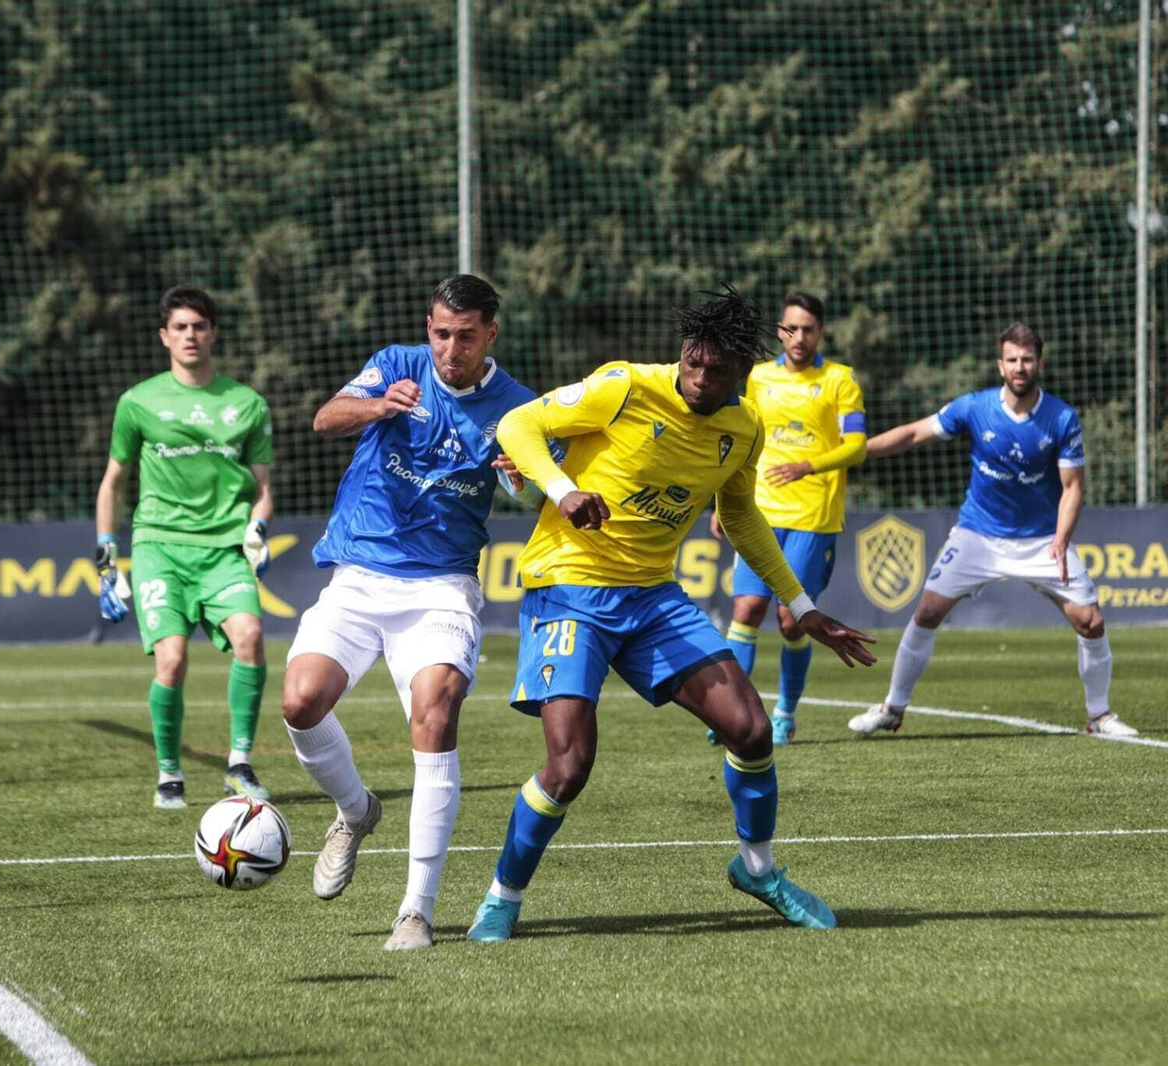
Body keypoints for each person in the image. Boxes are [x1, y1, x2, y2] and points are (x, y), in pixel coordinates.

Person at [466, 285, 878, 944]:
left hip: (653, 597)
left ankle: (758, 870)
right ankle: (502, 898)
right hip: (569, 587)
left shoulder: (743, 428)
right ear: (681, 353)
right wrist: (565, 490)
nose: (699, 378)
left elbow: (741, 515)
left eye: (716, 370)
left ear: (743, 373)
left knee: (750, 729)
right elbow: (518, 426)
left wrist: (800, 604)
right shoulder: (625, 387)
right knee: (569, 766)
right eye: (693, 362)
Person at [281, 274, 539, 952]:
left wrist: (522, 479)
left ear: (491, 335)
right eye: (440, 334)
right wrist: (376, 408)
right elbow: (324, 417)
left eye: (465, 336)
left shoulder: (518, 407)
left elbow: (538, 494)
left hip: (441, 586)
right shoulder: (397, 365)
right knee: (300, 702)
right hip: (359, 575)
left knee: (437, 708)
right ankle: (356, 810)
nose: (449, 349)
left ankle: (415, 912)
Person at [847, 322, 1137, 739]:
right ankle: (892, 708)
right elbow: (913, 433)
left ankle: (1100, 716)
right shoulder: (974, 407)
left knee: (1090, 622)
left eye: (1028, 359)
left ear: (1040, 363)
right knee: (927, 613)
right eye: (1013, 360)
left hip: (1041, 540)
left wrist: (1060, 539)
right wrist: (855, 452)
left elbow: (1073, 487)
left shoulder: (1061, 417)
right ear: (1000, 365)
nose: (1020, 367)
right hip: (977, 536)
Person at [94, 285, 277, 810]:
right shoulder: (138, 402)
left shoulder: (247, 404)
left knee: (252, 635)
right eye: (180, 327)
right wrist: (107, 564)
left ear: (213, 332)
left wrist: (257, 532)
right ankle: (169, 773)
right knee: (171, 660)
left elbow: (263, 489)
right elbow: (112, 482)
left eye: (199, 326)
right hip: (160, 548)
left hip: (223, 550)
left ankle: (239, 765)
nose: (190, 335)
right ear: (164, 337)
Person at [706, 293, 867, 746]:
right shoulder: (758, 376)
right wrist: (723, 500)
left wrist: (808, 466)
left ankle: (785, 713)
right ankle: (732, 714)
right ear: (780, 330)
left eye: (808, 329)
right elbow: (738, 438)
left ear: (821, 333)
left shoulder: (840, 380)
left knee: (792, 619)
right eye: (791, 328)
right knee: (746, 609)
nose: (799, 337)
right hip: (758, 510)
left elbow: (857, 445)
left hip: (813, 516)